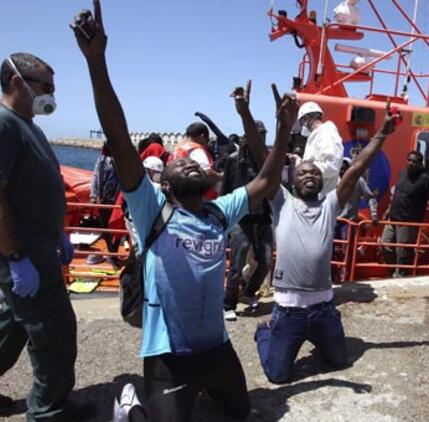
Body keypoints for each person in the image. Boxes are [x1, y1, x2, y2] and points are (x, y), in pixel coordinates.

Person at [71, 4, 298, 421]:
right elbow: (119, 135)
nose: (190, 162)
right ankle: (129, 402)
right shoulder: (151, 208)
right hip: (169, 356)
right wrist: (96, 62)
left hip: (216, 348)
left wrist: (284, 130)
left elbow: (266, 183)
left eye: (195, 161)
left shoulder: (217, 212)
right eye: (179, 163)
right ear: (165, 182)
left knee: (241, 412)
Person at [255, 101, 401, 383]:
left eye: (315, 173)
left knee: (339, 362)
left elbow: (357, 167)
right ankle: (265, 333)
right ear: (291, 181)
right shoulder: (282, 202)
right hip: (289, 312)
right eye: (303, 173)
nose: (309, 174)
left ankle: (321, 336)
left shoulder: (330, 204)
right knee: (277, 376)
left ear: (323, 181)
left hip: (323, 309)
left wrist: (382, 133)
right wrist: (255, 116)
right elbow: (266, 162)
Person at [0, 52, 95, 420]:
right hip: (23, 253)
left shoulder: (31, 127)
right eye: (45, 87)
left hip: (40, 246)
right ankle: (48, 410)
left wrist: (60, 233)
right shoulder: (5, 125)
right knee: (53, 334)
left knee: (12, 327)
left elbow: (42, 187)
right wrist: (16, 257)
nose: (51, 94)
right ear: (16, 82)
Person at [222, 84, 272, 321]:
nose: (259, 139)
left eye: (263, 136)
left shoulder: (266, 160)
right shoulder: (233, 160)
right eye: (256, 135)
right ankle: (228, 303)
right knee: (237, 262)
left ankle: (249, 291)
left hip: (263, 218)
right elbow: (225, 190)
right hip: (241, 218)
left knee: (265, 261)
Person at [381, 151, 429, 277]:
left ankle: (402, 276)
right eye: (409, 160)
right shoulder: (402, 173)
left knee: (403, 252)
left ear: (420, 164)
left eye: (414, 161)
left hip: (408, 222)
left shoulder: (425, 179)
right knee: (385, 244)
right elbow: (398, 194)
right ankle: (394, 273)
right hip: (393, 218)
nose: (410, 163)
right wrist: (388, 210)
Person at [297, 101, 343, 197]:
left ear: (306, 118)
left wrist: (302, 167)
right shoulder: (317, 135)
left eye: (302, 122)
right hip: (317, 199)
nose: (302, 126)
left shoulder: (326, 133)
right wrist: (299, 163)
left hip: (326, 200)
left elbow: (331, 166)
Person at [87, 141, 120, 266]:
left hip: (116, 199)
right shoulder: (101, 161)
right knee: (104, 227)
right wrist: (93, 196)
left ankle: (114, 253)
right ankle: (112, 252)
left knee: (116, 227)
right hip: (104, 198)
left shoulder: (120, 161)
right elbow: (96, 178)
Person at [169, 121, 222, 199]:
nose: (206, 144)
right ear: (202, 136)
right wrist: (222, 176)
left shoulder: (178, 149)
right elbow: (207, 173)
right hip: (198, 198)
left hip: (179, 195)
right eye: (207, 140)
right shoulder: (196, 150)